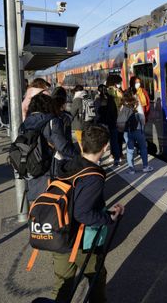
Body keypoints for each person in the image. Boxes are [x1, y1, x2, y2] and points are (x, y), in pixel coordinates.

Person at [51, 125, 125, 302]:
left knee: (63, 284)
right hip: (81, 241)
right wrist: (109, 217)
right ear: (105, 147)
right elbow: (82, 213)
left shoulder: (67, 165)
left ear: (81, 143)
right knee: (96, 279)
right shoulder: (94, 176)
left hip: (60, 234)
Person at [20, 93, 76, 202]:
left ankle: (36, 216)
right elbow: (62, 146)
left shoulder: (25, 123)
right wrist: (76, 156)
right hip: (49, 166)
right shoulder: (52, 120)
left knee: (36, 198)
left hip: (31, 165)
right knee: (52, 198)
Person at [117, 92, 153, 174]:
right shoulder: (136, 104)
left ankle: (131, 169)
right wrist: (142, 125)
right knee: (143, 148)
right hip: (138, 130)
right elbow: (142, 118)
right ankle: (145, 167)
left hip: (127, 132)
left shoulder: (121, 106)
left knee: (130, 150)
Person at [94, 84, 120, 165]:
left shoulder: (97, 101)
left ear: (98, 91)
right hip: (112, 123)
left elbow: (96, 114)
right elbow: (115, 112)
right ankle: (115, 159)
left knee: (100, 143)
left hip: (102, 124)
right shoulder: (111, 99)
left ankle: (98, 160)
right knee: (114, 142)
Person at [51, 87, 75, 174]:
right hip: (63, 153)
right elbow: (66, 137)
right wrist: (75, 155)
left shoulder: (47, 114)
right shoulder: (65, 116)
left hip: (50, 154)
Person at [70, 85, 92, 151]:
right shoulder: (88, 97)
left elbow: (72, 113)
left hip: (79, 124)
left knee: (81, 142)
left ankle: (85, 157)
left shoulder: (77, 99)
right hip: (88, 123)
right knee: (88, 141)